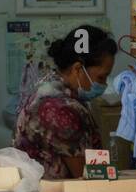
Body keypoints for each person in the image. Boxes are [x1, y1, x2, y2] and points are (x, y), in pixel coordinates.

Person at [13, 25, 117, 179]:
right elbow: (87, 178)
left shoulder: (47, 90)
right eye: (101, 77)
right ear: (77, 69)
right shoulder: (61, 111)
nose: (105, 84)